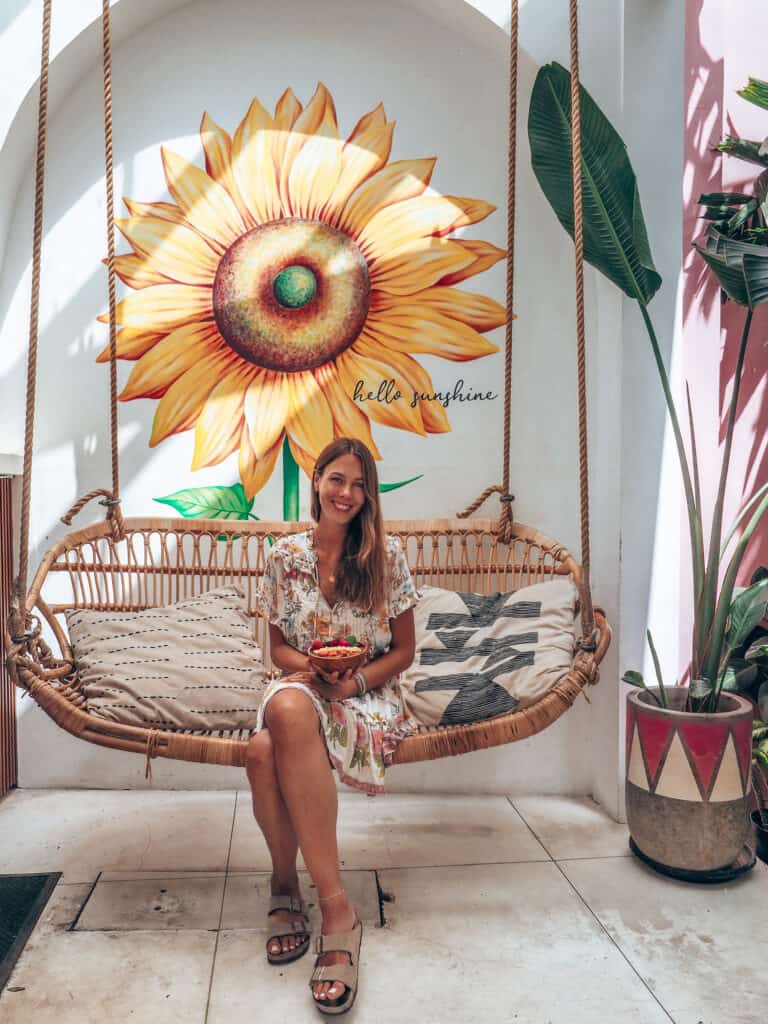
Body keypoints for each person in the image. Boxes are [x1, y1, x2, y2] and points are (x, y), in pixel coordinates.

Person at [246, 436, 419, 1015]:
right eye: (337, 479)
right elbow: (275, 650)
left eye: (360, 483)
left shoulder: (385, 558)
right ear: (317, 480)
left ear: (368, 495)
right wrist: (314, 667)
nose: (348, 493)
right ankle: (336, 907)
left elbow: (402, 651)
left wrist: (353, 681)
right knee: (290, 705)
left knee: (260, 752)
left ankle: (287, 888)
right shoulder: (281, 557)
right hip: (302, 681)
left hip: (365, 692)